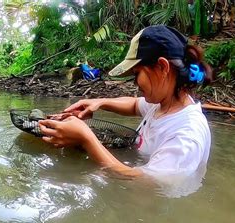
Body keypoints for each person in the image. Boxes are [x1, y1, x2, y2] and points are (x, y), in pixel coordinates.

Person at [38, 25, 213, 180]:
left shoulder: (187, 135)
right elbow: (135, 104)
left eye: (137, 74)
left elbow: (144, 184)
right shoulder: (163, 103)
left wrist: (87, 138)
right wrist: (98, 102)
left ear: (162, 67)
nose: (135, 83)